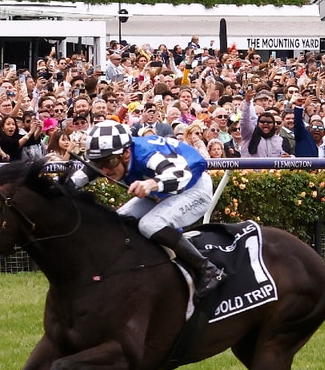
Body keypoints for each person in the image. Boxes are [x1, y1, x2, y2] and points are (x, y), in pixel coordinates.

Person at [70, 121, 224, 298]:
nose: (104, 170)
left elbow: (182, 174)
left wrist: (152, 183)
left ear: (126, 153)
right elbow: (80, 177)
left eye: (109, 162)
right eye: (98, 164)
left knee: (150, 224)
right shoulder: (115, 155)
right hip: (164, 191)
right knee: (118, 221)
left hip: (193, 187)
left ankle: (209, 271)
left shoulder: (147, 154)